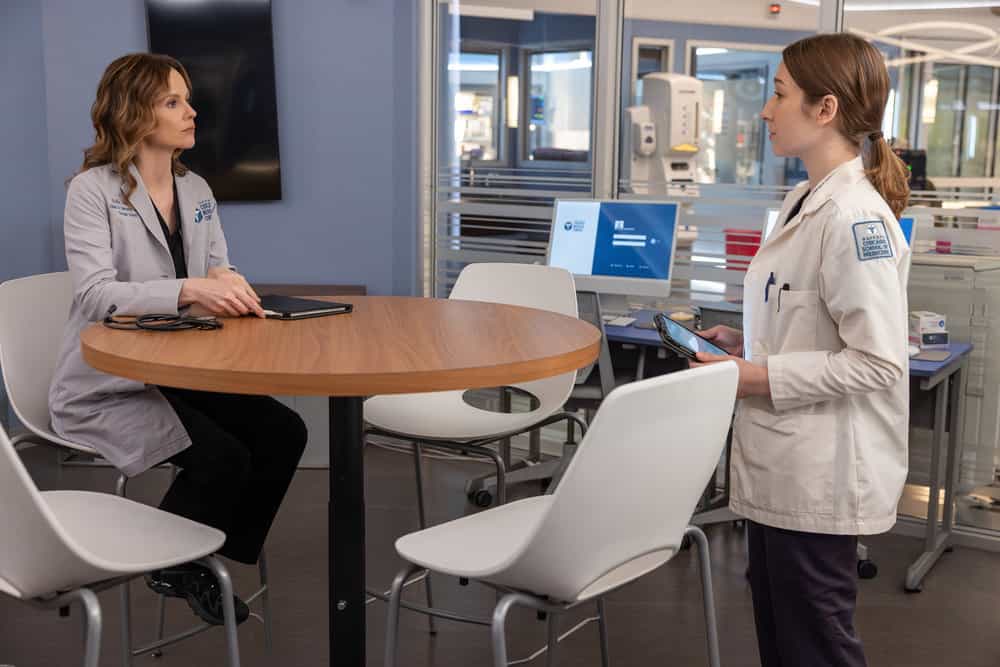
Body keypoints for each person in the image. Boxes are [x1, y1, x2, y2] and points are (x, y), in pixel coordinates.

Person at [49, 53, 308, 626]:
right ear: (135, 114)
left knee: (285, 432)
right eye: (173, 102)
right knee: (222, 457)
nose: (192, 112)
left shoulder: (197, 189)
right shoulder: (91, 191)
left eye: (187, 99)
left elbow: (216, 266)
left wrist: (226, 280)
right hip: (112, 379)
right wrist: (190, 289)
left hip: (182, 366)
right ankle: (180, 566)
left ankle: (202, 559)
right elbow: (96, 295)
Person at [694, 34, 910, 666]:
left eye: (779, 93)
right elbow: (811, 321)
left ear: (825, 110)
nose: (765, 110)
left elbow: (876, 361)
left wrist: (756, 375)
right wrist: (747, 344)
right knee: (784, 633)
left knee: (815, 642)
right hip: (787, 464)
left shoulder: (854, 218)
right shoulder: (803, 200)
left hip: (822, 474)